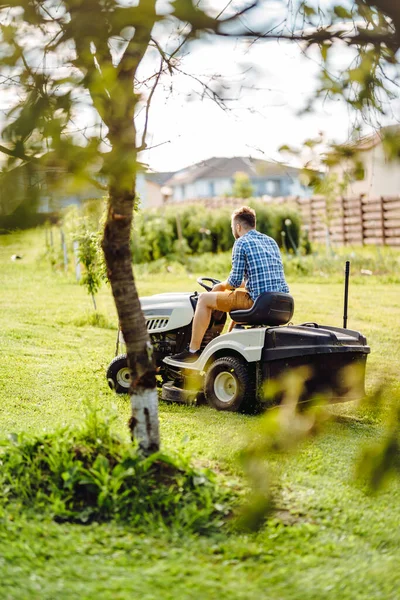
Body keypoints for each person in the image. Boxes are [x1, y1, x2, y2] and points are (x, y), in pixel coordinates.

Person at [170, 205, 289, 363]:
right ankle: (225, 342)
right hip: (282, 302)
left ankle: (192, 350)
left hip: (258, 302)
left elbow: (233, 281)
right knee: (236, 297)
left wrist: (220, 286)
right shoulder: (270, 241)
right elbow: (257, 280)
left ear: (238, 227)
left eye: (233, 227)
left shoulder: (241, 243)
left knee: (204, 299)